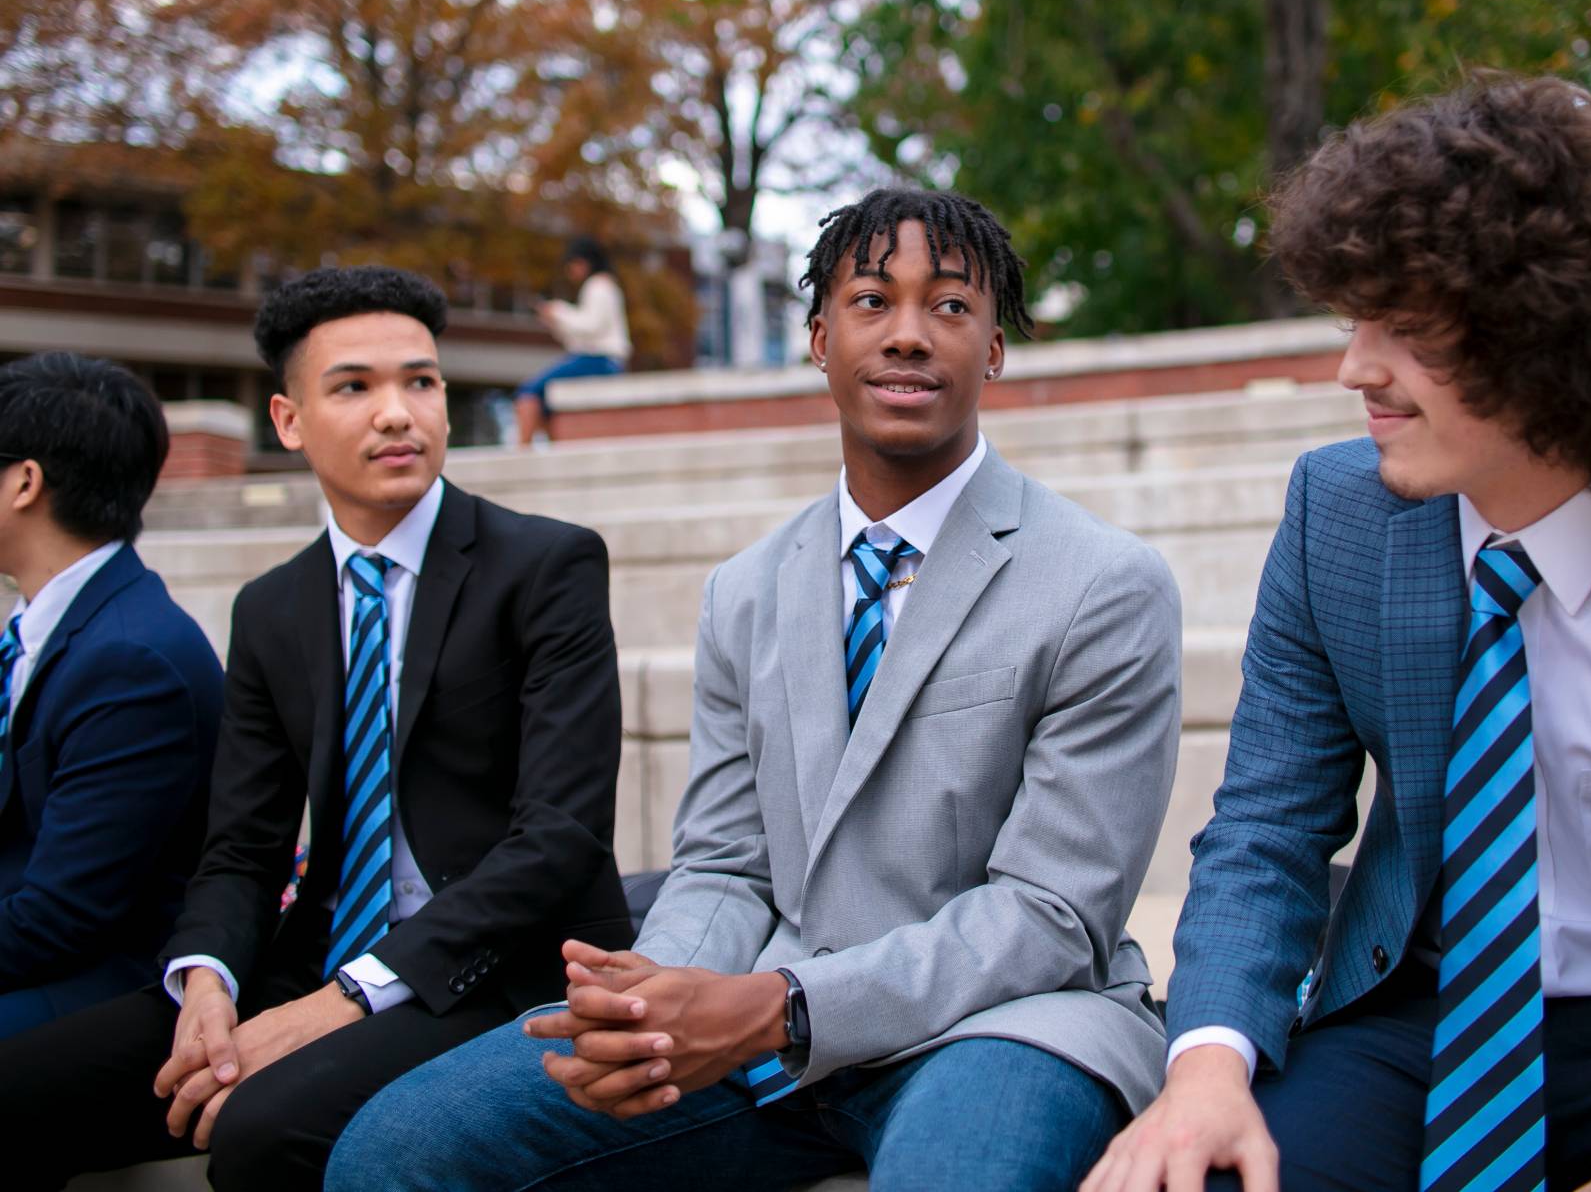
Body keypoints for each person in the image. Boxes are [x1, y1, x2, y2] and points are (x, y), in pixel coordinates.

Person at [1085, 74, 1591, 1192]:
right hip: (1417, 1014)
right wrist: (1205, 1071)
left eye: (1409, 330)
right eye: (1354, 319)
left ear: (1563, 341)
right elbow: (1266, 835)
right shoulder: (1337, 513)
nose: (1354, 368)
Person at [327, 189, 1184, 1192]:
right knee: (394, 1154)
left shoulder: (1103, 582)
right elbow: (726, 866)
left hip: (1005, 1026)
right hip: (758, 1022)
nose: (909, 335)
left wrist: (782, 1003)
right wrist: (661, 992)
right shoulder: (745, 591)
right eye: (873, 301)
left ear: (994, 348)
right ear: (819, 339)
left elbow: (1048, 917)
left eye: (951, 307)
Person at [0, 265, 634, 1189]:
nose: (397, 413)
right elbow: (242, 849)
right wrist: (209, 982)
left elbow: (560, 839)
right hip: (313, 960)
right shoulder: (274, 607)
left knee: (263, 1127)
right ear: (289, 420)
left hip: (492, 972)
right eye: (354, 386)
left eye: (420, 381)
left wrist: (342, 999)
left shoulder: (545, 566)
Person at [0, 353, 224, 1040]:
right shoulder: (53, 625)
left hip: (104, 983)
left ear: (25, 482)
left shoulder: (130, 661)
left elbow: (63, 917)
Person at [517, 236, 631, 446]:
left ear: (584, 262)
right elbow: (579, 336)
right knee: (546, 405)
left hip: (598, 359)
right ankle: (549, 445)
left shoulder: (599, 286)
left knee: (528, 392)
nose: (571, 271)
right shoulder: (603, 287)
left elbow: (590, 326)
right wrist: (554, 321)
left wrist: (558, 311)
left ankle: (522, 448)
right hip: (598, 358)